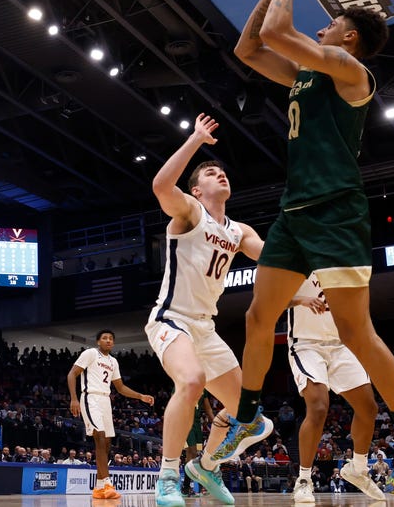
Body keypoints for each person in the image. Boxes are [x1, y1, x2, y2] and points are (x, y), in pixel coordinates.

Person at [212, 0, 394, 496]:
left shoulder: (350, 73)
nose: (324, 24)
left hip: (337, 212)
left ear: (350, 38)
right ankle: (247, 417)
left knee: (355, 332)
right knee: (257, 318)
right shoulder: (306, 73)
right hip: (295, 212)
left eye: (333, 22)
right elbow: (248, 47)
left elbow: (277, 32)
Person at [145, 113, 264, 507]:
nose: (221, 175)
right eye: (212, 173)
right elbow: (161, 185)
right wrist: (195, 139)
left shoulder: (239, 230)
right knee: (192, 381)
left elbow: (275, 258)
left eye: (223, 172)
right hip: (171, 318)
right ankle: (167, 476)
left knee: (251, 418)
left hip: (205, 329)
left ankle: (207, 466)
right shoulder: (189, 213)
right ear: (196, 190)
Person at [285, 275, 385, 503]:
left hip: (341, 344)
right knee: (319, 407)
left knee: (368, 408)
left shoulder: (340, 263)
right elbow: (270, 298)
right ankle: (303, 480)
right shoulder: (294, 259)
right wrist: (301, 300)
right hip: (306, 343)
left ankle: (358, 468)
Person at [67, 329, 155, 500]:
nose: (108, 341)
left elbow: (121, 388)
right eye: (104, 338)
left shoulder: (113, 361)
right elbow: (72, 374)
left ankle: (99, 488)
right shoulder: (91, 353)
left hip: (105, 401)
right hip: (90, 397)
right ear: (98, 342)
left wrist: (140, 396)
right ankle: (107, 483)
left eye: (111, 339)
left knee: (106, 444)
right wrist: (74, 399)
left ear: (113, 343)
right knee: (99, 437)